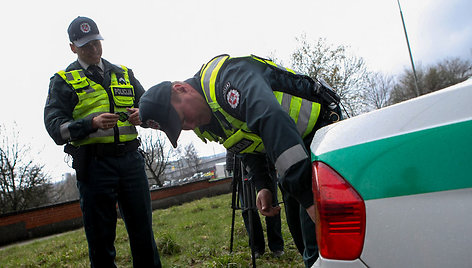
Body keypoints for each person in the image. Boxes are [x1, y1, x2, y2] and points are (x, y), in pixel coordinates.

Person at [138, 54, 341, 267]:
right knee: (300, 233)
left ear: (181, 88)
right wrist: (263, 185)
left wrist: (308, 198)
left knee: (318, 241)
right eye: (180, 127)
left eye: (181, 117)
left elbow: (270, 119)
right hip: (295, 148)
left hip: (324, 131)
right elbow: (246, 145)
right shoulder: (206, 121)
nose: (188, 125)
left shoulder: (229, 78)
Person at [44, 16, 161, 267]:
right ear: (73, 47)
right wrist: (90, 124)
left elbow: (149, 106)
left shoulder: (123, 73)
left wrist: (144, 115)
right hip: (94, 166)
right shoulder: (62, 81)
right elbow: (55, 129)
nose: (94, 49)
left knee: (143, 234)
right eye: (86, 45)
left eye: (96, 42)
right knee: (100, 240)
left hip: (131, 162)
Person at [226, 151, 284, 258]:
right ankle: (257, 247)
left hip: (263, 157)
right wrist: (231, 164)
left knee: (271, 204)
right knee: (248, 209)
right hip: (239, 163)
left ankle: (277, 246)